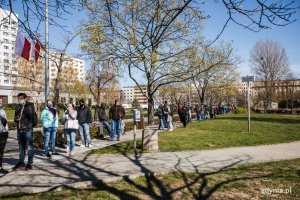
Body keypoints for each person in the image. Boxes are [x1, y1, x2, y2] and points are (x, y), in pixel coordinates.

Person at [13, 93, 37, 170]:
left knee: (29, 147)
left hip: (27, 130)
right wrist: (16, 119)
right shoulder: (18, 107)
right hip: (19, 130)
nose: (20, 100)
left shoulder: (29, 106)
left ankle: (30, 163)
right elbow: (15, 118)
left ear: (25, 98)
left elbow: (33, 118)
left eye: (21, 98)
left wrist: (29, 126)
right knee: (21, 148)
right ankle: (21, 163)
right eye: (18, 99)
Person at [0, 98, 9, 174]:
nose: (0, 103)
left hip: (3, 133)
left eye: (1, 102)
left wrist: (6, 131)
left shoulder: (3, 111)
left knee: (1, 151)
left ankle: (0, 167)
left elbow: (5, 122)